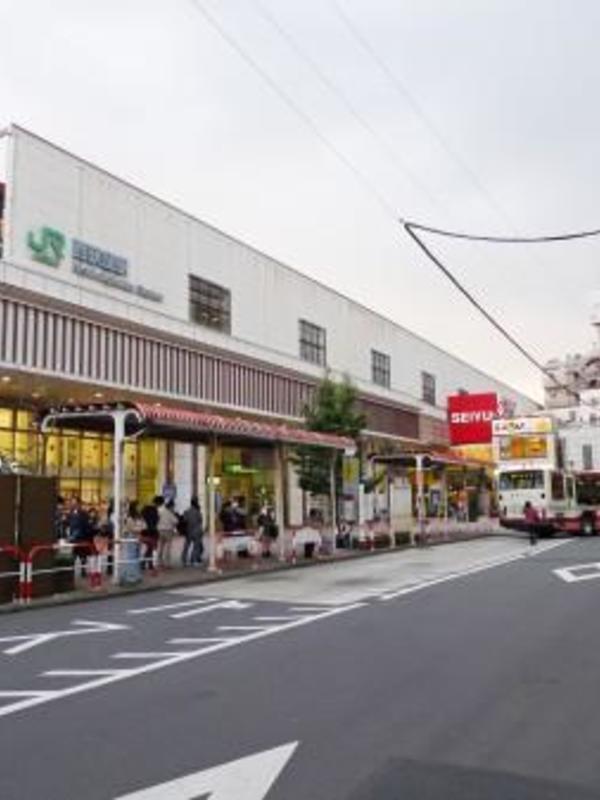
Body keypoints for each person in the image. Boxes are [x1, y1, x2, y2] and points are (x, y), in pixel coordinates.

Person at [66, 497, 92, 575]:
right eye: (72, 503)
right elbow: (69, 524)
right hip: (73, 538)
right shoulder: (70, 513)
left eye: (75, 503)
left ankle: (83, 570)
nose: (73, 504)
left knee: (83, 555)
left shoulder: (84, 513)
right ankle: (72, 571)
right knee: (73, 555)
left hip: (82, 537)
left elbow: (86, 525)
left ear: (78, 504)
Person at [121, 501, 144, 584]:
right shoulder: (129, 517)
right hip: (131, 538)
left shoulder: (139, 517)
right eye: (138, 506)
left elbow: (143, 525)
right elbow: (130, 528)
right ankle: (130, 576)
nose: (140, 508)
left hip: (138, 537)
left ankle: (136, 575)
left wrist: (140, 528)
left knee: (137, 556)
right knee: (131, 556)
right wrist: (139, 528)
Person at [182, 497, 204, 567]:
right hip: (197, 531)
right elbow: (200, 520)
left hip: (188, 530)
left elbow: (184, 520)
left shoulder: (186, 511)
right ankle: (193, 560)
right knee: (196, 546)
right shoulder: (197, 511)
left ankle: (184, 560)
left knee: (186, 546)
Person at [157, 496, 178, 568]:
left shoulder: (160, 511)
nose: (173, 507)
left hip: (160, 530)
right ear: (171, 506)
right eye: (173, 506)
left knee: (160, 546)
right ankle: (167, 563)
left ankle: (159, 562)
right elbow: (176, 521)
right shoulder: (169, 512)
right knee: (168, 547)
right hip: (168, 531)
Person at [141, 496, 160, 571]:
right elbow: (156, 521)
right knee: (151, 548)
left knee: (149, 548)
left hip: (145, 532)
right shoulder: (154, 511)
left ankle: (146, 563)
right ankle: (147, 564)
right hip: (152, 532)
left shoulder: (145, 510)